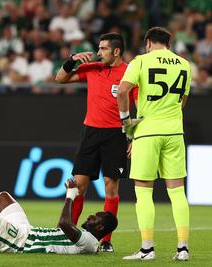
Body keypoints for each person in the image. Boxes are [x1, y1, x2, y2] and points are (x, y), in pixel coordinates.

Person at [55, 32, 136, 252]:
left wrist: (134, 136)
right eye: (99, 48)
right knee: (79, 187)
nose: (99, 53)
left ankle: (106, 240)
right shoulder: (93, 68)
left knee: (111, 187)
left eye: (103, 49)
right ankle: (66, 234)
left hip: (116, 134)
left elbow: (140, 105)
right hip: (91, 132)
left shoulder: (130, 72)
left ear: (116, 51)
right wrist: (72, 60)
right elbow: (60, 79)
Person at [117, 27, 191, 261]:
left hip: (148, 132)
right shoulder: (184, 64)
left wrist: (126, 122)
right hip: (175, 132)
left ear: (148, 42)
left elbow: (122, 91)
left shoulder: (140, 61)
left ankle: (147, 249)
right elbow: (182, 102)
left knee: (144, 191)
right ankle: (183, 249)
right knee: (178, 192)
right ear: (168, 43)